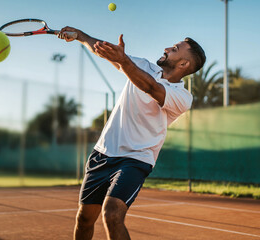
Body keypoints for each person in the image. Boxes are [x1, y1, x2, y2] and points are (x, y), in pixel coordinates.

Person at [58, 27, 206, 240]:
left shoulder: (182, 97)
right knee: (84, 218)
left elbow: (150, 87)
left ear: (184, 64)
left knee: (112, 214)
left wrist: (124, 60)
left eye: (174, 49)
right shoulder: (144, 66)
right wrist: (80, 36)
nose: (166, 49)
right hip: (103, 153)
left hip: (136, 159)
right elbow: (106, 52)